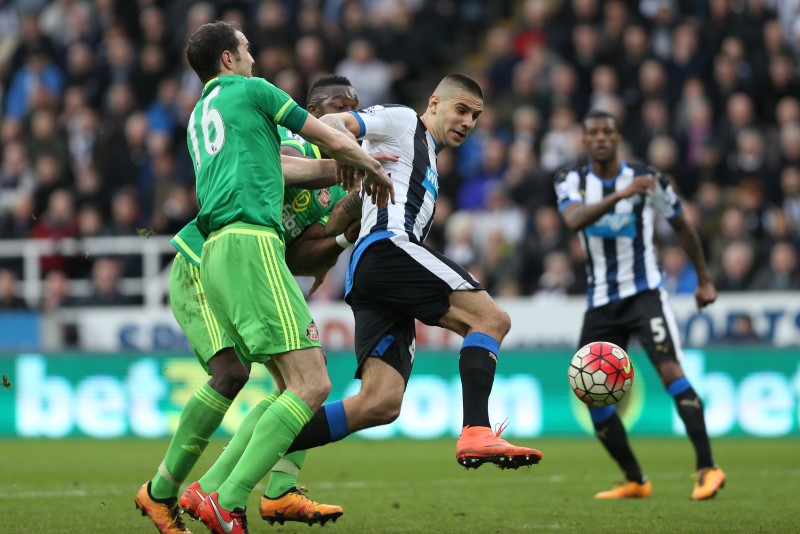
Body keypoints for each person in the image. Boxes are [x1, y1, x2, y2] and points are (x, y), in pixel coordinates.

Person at [136, 21, 393, 534]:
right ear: (229, 59)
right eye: (247, 50)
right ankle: (214, 496)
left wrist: (343, 224)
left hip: (236, 252)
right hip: (225, 250)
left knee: (284, 382)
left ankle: (227, 492)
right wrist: (363, 160)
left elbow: (306, 235)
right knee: (293, 380)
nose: (254, 57)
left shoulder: (201, 117)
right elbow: (288, 163)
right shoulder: (263, 107)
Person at [260, 74, 543, 471]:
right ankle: (477, 430)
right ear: (433, 103)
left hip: (373, 272)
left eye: (475, 117)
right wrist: (342, 153)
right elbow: (339, 123)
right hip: (388, 249)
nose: (468, 122)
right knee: (491, 319)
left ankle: (246, 455)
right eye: (460, 110)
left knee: (379, 403)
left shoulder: (427, 159)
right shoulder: (402, 121)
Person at [554, 109, 725, 500]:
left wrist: (704, 277)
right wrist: (620, 196)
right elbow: (574, 219)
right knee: (589, 390)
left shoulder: (649, 180)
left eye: (607, 132)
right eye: (592, 132)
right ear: (584, 140)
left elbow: (681, 222)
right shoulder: (570, 180)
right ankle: (635, 478)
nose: (600, 138)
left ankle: (708, 469)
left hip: (645, 294)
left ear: (617, 139)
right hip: (601, 301)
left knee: (670, 372)